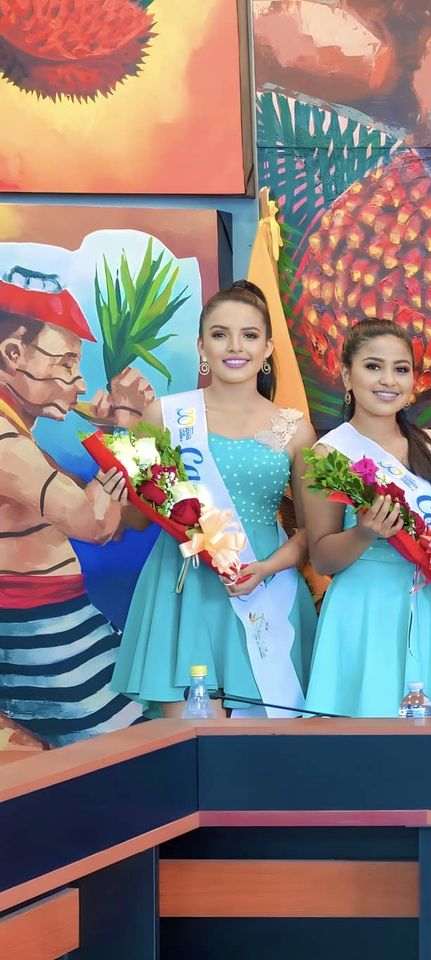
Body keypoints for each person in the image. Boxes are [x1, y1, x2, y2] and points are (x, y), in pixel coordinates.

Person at [110, 282, 316, 718]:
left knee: (267, 743)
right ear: (202, 346)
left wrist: (266, 569)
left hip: (265, 587)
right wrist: (121, 495)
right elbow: (139, 520)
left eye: (249, 335)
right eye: (221, 334)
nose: (235, 346)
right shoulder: (166, 415)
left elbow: (311, 532)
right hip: (184, 588)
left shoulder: (295, 428)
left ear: (267, 348)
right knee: (190, 743)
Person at [0, 269, 148, 743]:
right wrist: (126, 424)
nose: (80, 385)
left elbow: (121, 518)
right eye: (65, 363)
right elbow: (95, 522)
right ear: (13, 354)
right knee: (130, 751)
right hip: (39, 642)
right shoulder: (5, 442)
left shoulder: (21, 439)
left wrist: (113, 434)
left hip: (62, 630)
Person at [305, 318, 431, 717]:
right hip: (365, 612)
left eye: (401, 369)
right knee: (368, 735)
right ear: (346, 376)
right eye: (373, 366)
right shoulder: (329, 453)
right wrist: (365, 532)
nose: (388, 380)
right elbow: (322, 558)